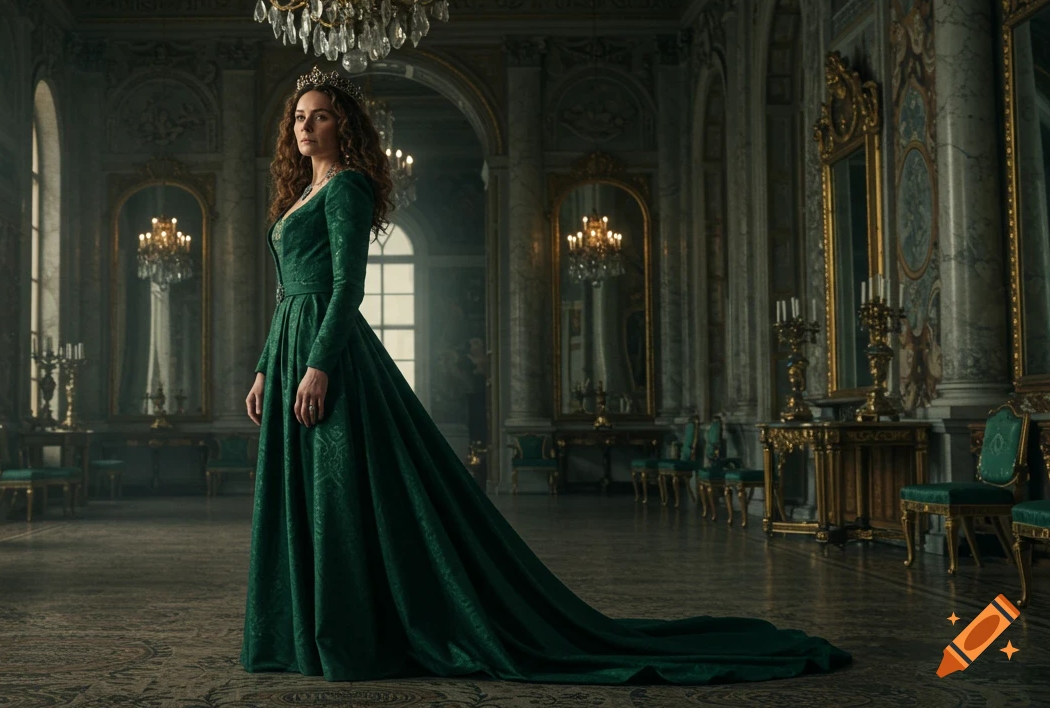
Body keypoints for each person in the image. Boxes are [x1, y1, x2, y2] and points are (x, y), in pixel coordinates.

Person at [239, 66, 851, 684]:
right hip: (293, 342)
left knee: (339, 494)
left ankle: (350, 632)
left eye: (319, 116)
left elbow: (347, 286)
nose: (305, 127)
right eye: (298, 117)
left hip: (329, 354)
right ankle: (305, 632)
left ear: (343, 126)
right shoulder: (299, 196)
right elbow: (286, 293)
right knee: (305, 493)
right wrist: (267, 367)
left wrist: (318, 365)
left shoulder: (346, 187)